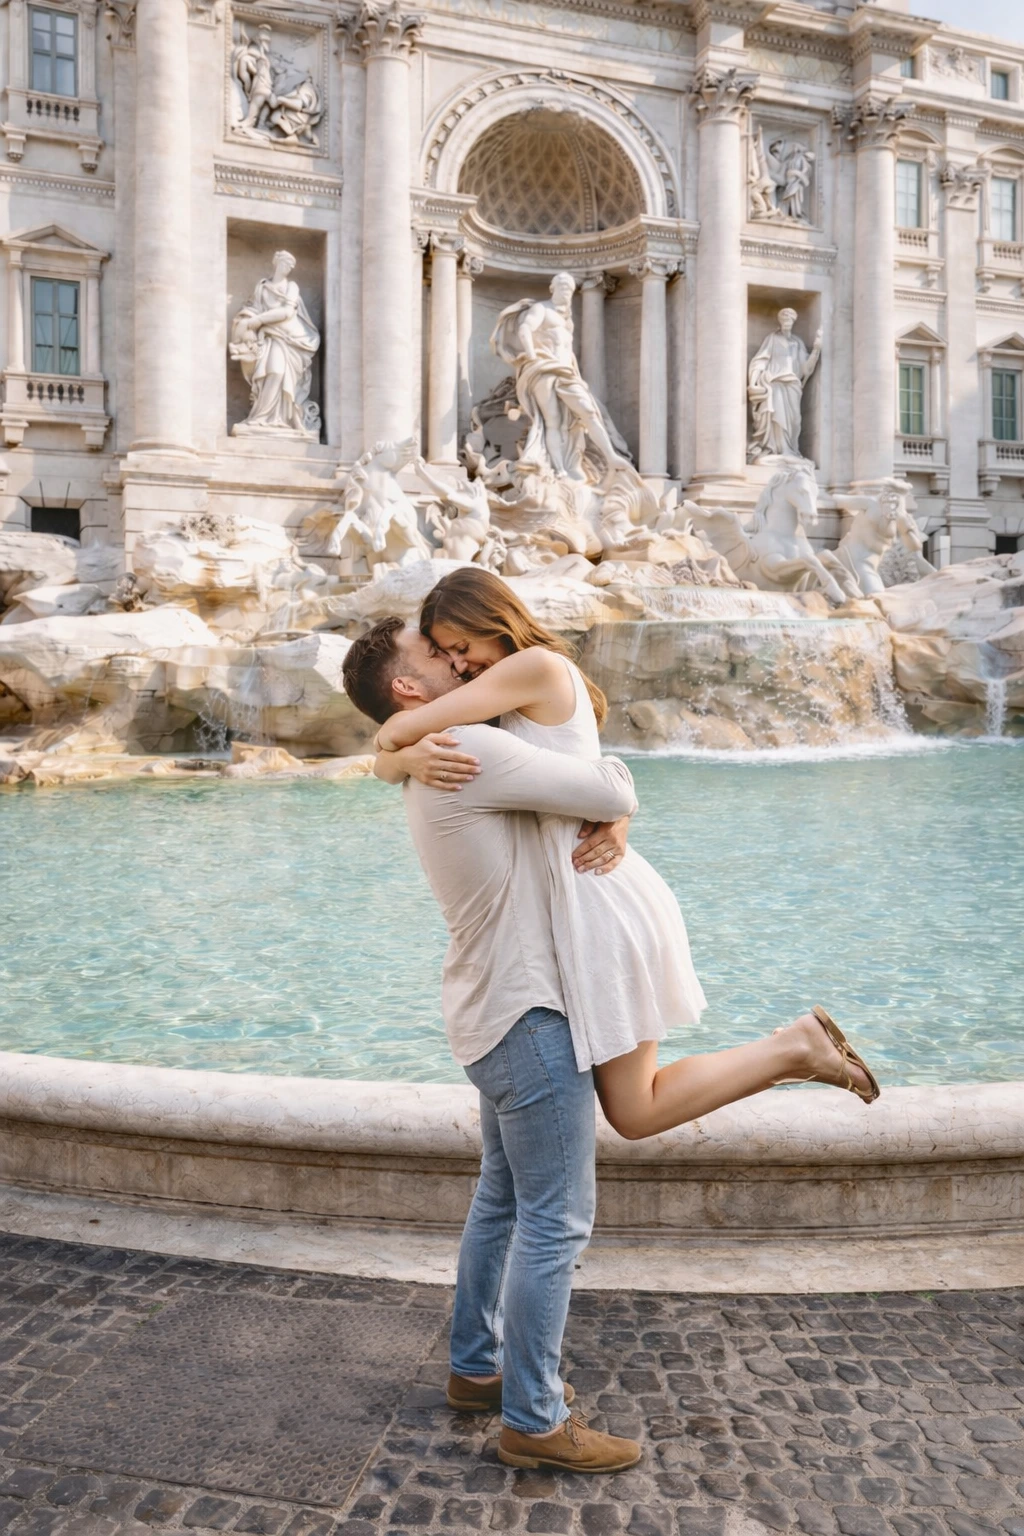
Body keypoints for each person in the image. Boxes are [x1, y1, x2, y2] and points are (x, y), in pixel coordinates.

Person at [372, 566, 880, 1142]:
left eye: (461, 647)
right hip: (588, 892)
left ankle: (795, 1048)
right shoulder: (510, 684)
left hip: (598, 896)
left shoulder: (531, 667)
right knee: (634, 1108)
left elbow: (410, 726)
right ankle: (795, 1049)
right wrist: (397, 759)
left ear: (495, 620)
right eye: (446, 655)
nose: (459, 664)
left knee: (634, 1110)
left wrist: (392, 747)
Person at [342, 617, 647, 1474]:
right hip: (531, 1017)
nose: (455, 661)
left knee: (503, 1201)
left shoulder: (442, 754)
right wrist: (619, 803)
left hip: (486, 1012)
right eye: (432, 655)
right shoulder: (469, 747)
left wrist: (390, 750)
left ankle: (478, 1370)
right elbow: (610, 790)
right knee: (557, 1221)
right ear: (408, 687)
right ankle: (535, 1419)